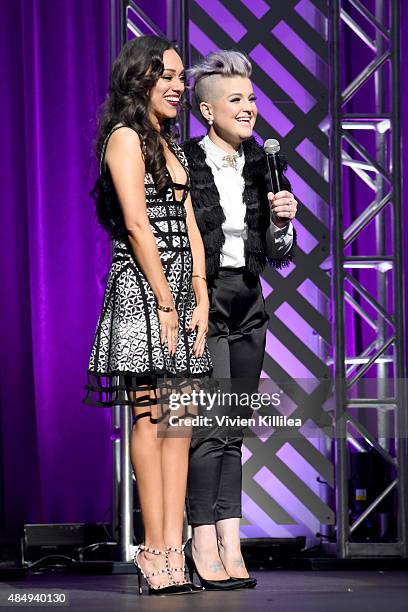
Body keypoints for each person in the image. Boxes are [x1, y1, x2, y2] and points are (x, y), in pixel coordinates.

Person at [83, 36, 213, 596]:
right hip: (143, 292)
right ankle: (153, 551)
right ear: (141, 80)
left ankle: (175, 549)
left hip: (181, 292)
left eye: (183, 76)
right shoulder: (125, 138)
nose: (180, 85)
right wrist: (164, 298)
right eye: (169, 75)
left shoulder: (170, 145)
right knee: (150, 419)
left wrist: (199, 291)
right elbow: (138, 227)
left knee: (180, 424)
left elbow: (187, 224)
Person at [182, 50, 298, 590]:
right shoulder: (185, 162)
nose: (249, 108)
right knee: (208, 428)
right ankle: (200, 538)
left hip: (249, 300)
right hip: (205, 300)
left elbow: (278, 254)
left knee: (233, 430)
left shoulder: (264, 163)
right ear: (207, 111)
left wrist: (284, 223)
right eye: (237, 100)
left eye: (252, 98)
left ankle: (231, 538)